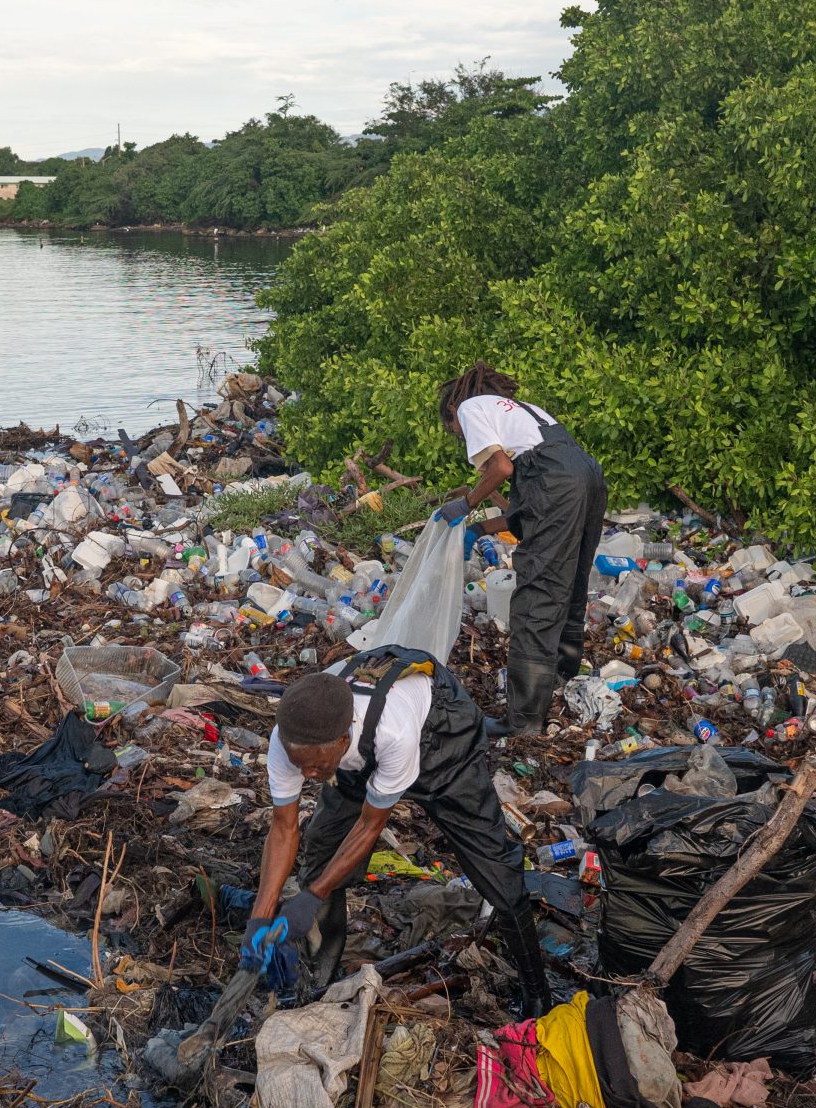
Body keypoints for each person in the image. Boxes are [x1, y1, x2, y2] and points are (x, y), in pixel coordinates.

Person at [242, 646, 553, 1016]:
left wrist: (313, 895)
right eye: (300, 765)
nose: (307, 775)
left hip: (440, 737)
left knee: (494, 866)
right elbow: (283, 828)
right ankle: (317, 980)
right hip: (354, 755)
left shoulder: (393, 731)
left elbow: (370, 825)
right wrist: (260, 915)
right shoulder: (292, 740)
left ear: (342, 740)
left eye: (314, 766)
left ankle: (536, 992)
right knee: (322, 849)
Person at [430, 362, 608, 736]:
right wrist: (480, 528)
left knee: (537, 596)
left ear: (453, 410)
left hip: (557, 481)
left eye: (454, 431)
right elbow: (533, 512)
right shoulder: (523, 412)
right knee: (571, 582)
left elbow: (502, 469)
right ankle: (561, 678)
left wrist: (466, 503)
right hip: (588, 475)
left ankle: (523, 720)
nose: (460, 436)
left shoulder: (469, 407)